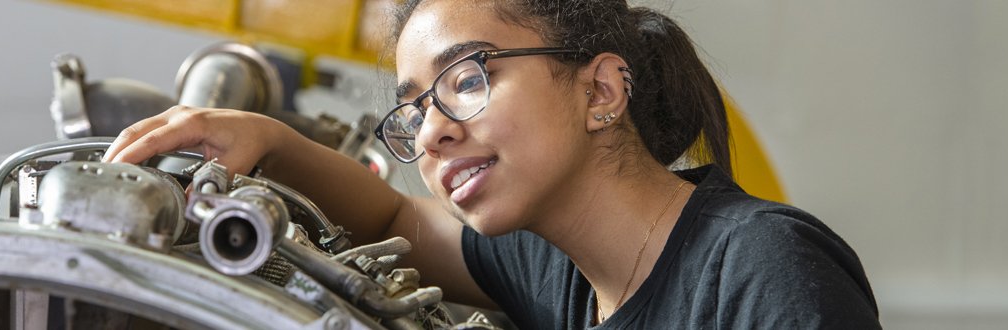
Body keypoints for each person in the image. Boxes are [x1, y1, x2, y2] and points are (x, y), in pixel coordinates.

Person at [104, 0, 880, 328]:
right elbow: (401, 218)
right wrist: (266, 141)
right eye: (414, 107)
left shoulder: (761, 266)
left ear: (602, 88)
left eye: (468, 79)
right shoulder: (564, 270)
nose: (432, 132)